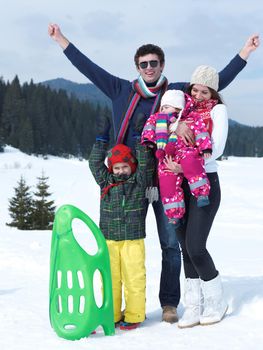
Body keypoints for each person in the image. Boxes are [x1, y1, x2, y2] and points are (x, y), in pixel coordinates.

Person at [48, 24, 259, 323]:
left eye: (154, 63)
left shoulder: (178, 93)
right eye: (143, 64)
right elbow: (88, 68)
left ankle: (170, 303)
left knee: (172, 243)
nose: (149, 67)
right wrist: (60, 40)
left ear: (162, 65)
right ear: (137, 67)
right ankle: (117, 302)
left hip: (165, 178)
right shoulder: (120, 89)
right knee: (122, 244)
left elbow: (213, 83)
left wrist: (245, 52)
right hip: (129, 181)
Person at [164, 65, 231, 328]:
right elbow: (164, 126)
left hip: (204, 182)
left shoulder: (218, 110)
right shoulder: (184, 109)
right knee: (184, 247)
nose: (199, 95)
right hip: (179, 185)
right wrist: (175, 124)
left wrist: (186, 165)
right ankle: (193, 306)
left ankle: (216, 301)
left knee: (196, 246)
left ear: (213, 92)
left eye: (205, 91)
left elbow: (216, 148)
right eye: (195, 89)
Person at [89, 113, 154, 330]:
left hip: (133, 240)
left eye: (124, 167)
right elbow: (94, 163)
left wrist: (138, 137)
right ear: (111, 169)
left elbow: (145, 161)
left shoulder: (139, 180)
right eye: (116, 168)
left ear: (131, 167)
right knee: (110, 279)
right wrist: (100, 139)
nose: (121, 171)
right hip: (109, 239)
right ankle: (113, 314)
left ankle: (134, 315)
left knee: (134, 277)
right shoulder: (105, 182)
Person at [141, 89, 213, 226]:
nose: (162, 110)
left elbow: (201, 132)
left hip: (186, 151)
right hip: (167, 157)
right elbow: (149, 127)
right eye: (162, 107)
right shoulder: (157, 118)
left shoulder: (192, 118)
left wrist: (205, 147)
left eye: (166, 107)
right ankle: (174, 213)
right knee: (167, 184)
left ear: (178, 107)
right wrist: (149, 140)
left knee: (192, 163)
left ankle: (201, 192)